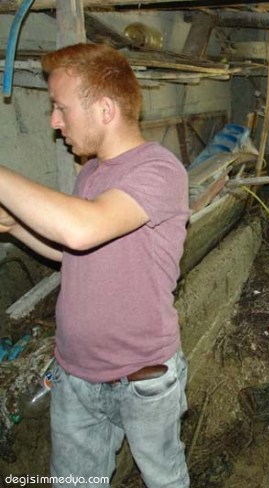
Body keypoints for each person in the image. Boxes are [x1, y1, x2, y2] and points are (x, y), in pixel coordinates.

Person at [0, 43, 190, 487]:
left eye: (61, 107)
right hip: (76, 374)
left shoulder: (160, 170)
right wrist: (14, 227)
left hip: (142, 379)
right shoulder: (90, 173)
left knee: (164, 479)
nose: (54, 121)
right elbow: (74, 252)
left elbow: (81, 230)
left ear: (105, 110)